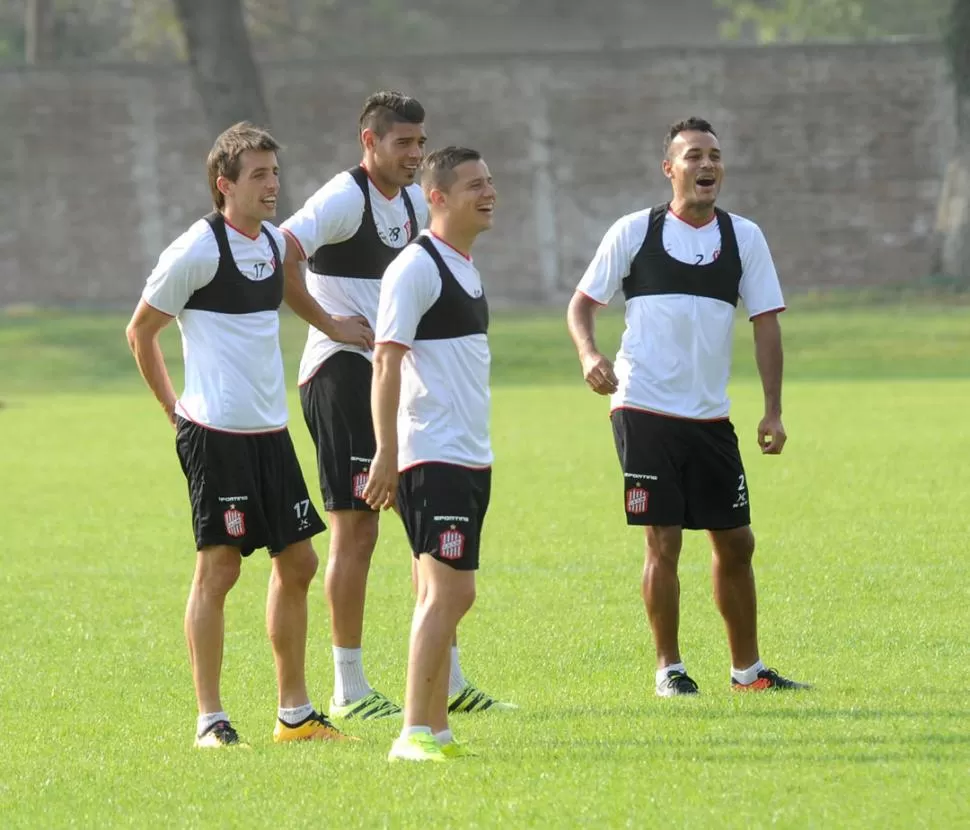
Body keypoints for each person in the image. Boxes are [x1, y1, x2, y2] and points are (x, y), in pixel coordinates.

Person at [281, 92, 512, 720]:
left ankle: (448, 678)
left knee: (422, 533)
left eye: (420, 142)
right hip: (340, 376)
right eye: (402, 143)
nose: (414, 154)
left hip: (395, 383)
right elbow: (279, 254)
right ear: (369, 142)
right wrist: (330, 323)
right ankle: (348, 686)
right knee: (357, 528)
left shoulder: (416, 202)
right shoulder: (342, 198)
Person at [125, 122, 352, 747]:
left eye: (276, 173)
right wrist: (173, 410)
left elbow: (292, 293)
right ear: (224, 185)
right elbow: (140, 332)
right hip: (215, 435)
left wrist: (338, 326)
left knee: (300, 561)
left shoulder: (275, 244)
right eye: (259, 175)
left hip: (270, 433)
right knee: (220, 571)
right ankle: (210, 720)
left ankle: (296, 715)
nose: (273, 185)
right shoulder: (195, 250)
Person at [566, 117, 810, 697]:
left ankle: (747, 673)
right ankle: (669, 670)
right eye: (695, 156)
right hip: (643, 407)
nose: (708, 166)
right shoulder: (635, 231)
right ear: (669, 169)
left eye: (716, 157)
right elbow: (581, 306)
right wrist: (588, 355)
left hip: (709, 416)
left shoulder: (744, 237)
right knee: (664, 539)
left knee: (736, 541)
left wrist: (773, 410)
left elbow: (766, 325)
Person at [364, 146, 497, 762]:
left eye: (490, 183)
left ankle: (436, 728)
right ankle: (413, 731)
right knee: (446, 594)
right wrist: (386, 454)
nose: (488, 193)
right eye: (474, 185)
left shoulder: (465, 266)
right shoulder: (415, 267)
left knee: (448, 593)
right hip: (432, 454)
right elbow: (386, 361)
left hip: (469, 456)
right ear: (436, 197)